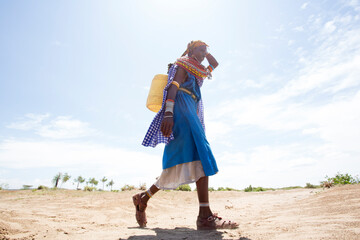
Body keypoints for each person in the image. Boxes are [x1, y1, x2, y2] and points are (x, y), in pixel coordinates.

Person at [133, 40, 239, 230]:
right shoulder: (183, 64)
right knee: (201, 152)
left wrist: (204, 53)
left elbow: (215, 64)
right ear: (190, 51)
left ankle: (143, 198)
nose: (204, 52)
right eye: (200, 49)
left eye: (205, 50)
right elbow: (173, 87)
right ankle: (205, 216)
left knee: (185, 158)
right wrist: (168, 113)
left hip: (191, 108)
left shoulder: (199, 71)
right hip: (181, 108)